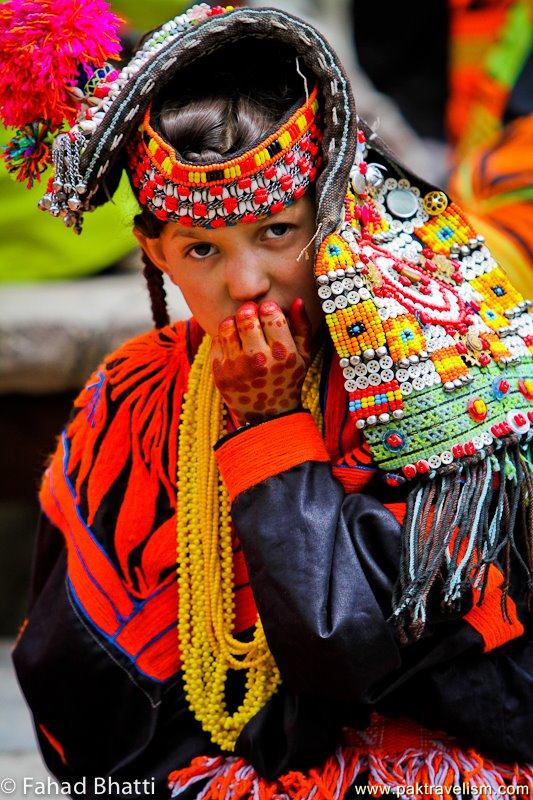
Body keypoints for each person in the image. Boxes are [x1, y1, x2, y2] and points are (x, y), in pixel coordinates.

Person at [2, 3, 532, 799]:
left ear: (334, 215)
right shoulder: (130, 402)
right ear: (155, 251)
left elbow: (366, 654)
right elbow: (77, 682)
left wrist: (272, 430)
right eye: (202, 248)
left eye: (277, 232)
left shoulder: (443, 382)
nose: (244, 283)